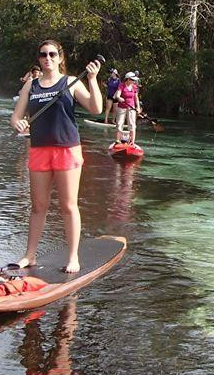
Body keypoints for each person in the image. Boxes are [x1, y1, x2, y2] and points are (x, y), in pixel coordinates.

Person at [10, 40, 102, 273]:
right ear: (39, 59)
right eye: (43, 55)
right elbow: (15, 117)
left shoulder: (70, 82)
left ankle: (73, 257)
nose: (47, 58)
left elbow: (96, 108)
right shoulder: (31, 85)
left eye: (52, 54)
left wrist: (92, 80)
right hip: (39, 149)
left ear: (60, 58)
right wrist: (19, 124)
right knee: (38, 206)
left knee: (68, 205)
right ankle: (29, 256)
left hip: (66, 149)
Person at [112, 72, 141, 145]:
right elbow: (117, 95)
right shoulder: (121, 85)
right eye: (132, 80)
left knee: (132, 124)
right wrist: (119, 98)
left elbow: (136, 97)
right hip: (121, 107)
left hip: (131, 108)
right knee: (119, 123)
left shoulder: (134, 87)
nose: (133, 81)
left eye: (134, 80)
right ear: (128, 79)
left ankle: (132, 142)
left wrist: (138, 107)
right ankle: (118, 140)